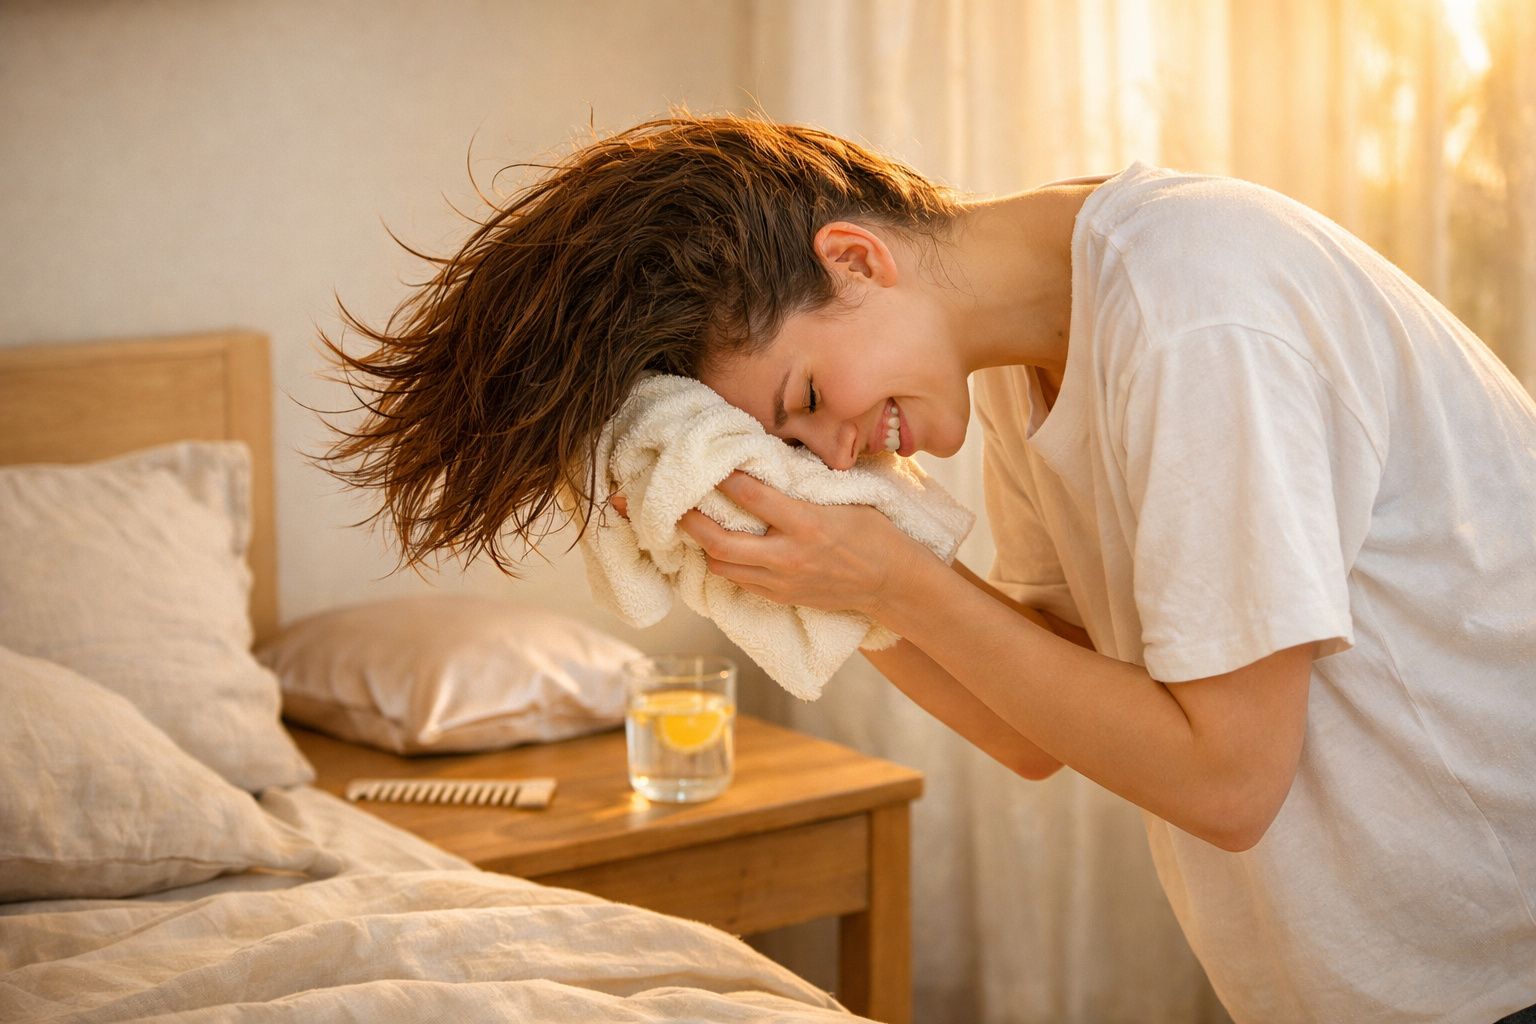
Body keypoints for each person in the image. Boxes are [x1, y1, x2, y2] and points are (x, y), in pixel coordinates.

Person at [322, 113, 1536, 1023]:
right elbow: (1038, 721)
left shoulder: (1199, 309)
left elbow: (1228, 779)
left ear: (854, 256)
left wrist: (896, 581)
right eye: (796, 448)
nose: (838, 450)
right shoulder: (1033, 348)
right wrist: (812, 572)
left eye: (807, 401)